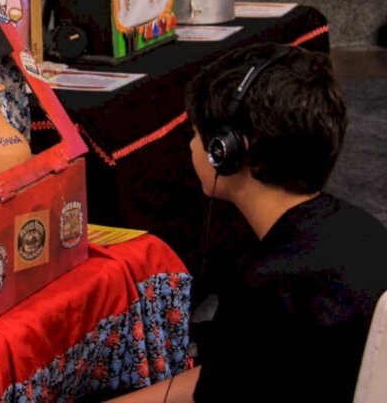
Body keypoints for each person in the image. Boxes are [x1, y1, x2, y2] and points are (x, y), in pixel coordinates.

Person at [114, 43, 387, 402]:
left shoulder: (264, 284)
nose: (192, 145)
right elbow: (232, 372)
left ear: (226, 152)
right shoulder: (362, 228)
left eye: (196, 133)